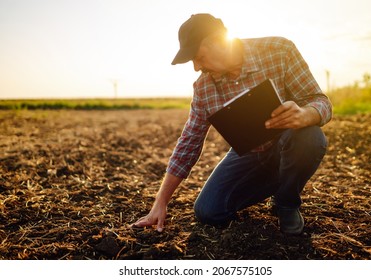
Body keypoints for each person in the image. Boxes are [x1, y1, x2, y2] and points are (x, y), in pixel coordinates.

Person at [132, 13, 332, 235]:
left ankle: (286, 201)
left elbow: (320, 101)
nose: (197, 67)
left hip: (289, 141)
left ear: (218, 41)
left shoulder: (279, 50)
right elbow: (189, 142)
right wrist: (160, 202)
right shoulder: (203, 88)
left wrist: (307, 113)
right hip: (248, 153)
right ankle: (280, 180)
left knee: (310, 137)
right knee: (208, 212)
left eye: (199, 56)